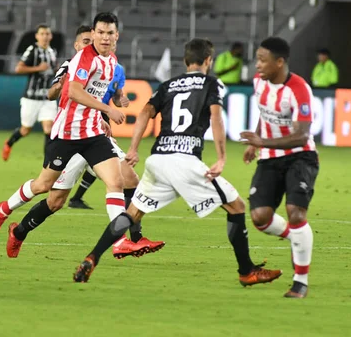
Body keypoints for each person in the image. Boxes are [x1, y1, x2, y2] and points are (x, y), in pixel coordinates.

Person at [73, 38, 282, 287]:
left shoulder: (168, 85)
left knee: (132, 213)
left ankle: (92, 257)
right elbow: (216, 118)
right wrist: (222, 157)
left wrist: (133, 148)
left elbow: (144, 113)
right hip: (185, 160)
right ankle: (247, 271)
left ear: (185, 61)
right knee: (236, 206)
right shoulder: (211, 83)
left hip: (158, 159)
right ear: (208, 60)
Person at [0, 12, 164, 259]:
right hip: (68, 134)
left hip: (92, 133)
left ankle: (121, 241)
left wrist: (103, 114)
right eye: (100, 32)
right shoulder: (83, 59)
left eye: (109, 33)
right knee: (44, 187)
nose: (104, 37)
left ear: (116, 36)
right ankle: (5, 210)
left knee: (117, 181)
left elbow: (97, 94)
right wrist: (108, 110)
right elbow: (75, 92)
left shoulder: (111, 60)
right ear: (93, 34)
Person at [240, 37, 319, 299]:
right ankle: (295, 237)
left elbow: (302, 135)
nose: (257, 64)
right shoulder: (258, 82)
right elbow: (265, 114)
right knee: (260, 217)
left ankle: (301, 281)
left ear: (280, 62)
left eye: (263, 60)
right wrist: (257, 144)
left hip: (300, 156)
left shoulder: (299, 89)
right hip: (270, 157)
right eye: (257, 58)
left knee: (295, 212)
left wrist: (262, 141)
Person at [66, 45, 128, 210]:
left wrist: (120, 100)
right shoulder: (87, 63)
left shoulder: (118, 68)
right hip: (83, 115)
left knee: (114, 163)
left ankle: (77, 197)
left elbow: (116, 97)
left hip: (103, 116)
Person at [2, 24, 58, 161]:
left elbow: (53, 71)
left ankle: (48, 163)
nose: (45, 36)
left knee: (49, 129)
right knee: (25, 130)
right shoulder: (32, 50)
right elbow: (18, 69)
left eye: (47, 34)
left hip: (47, 98)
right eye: (42, 34)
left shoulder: (52, 52)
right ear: (37, 36)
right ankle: (9, 143)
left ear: (50, 36)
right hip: (31, 98)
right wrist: (38, 68)